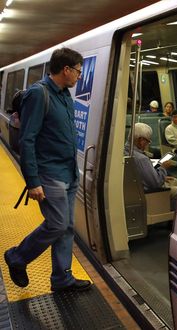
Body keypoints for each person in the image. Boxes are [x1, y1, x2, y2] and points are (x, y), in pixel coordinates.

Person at [4, 47, 91, 292]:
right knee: (57, 224)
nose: (78, 76)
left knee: (67, 227)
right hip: (49, 173)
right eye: (77, 72)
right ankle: (18, 257)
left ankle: (62, 278)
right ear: (66, 70)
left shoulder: (64, 95)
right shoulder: (38, 94)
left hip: (68, 172)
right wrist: (33, 181)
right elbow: (27, 139)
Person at [125, 123, 177, 198]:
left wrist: (163, 177)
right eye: (148, 141)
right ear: (141, 140)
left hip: (132, 191)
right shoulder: (142, 159)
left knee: (174, 181)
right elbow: (156, 184)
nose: (147, 144)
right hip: (149, 194)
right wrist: (163, 168)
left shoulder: (124, 151)